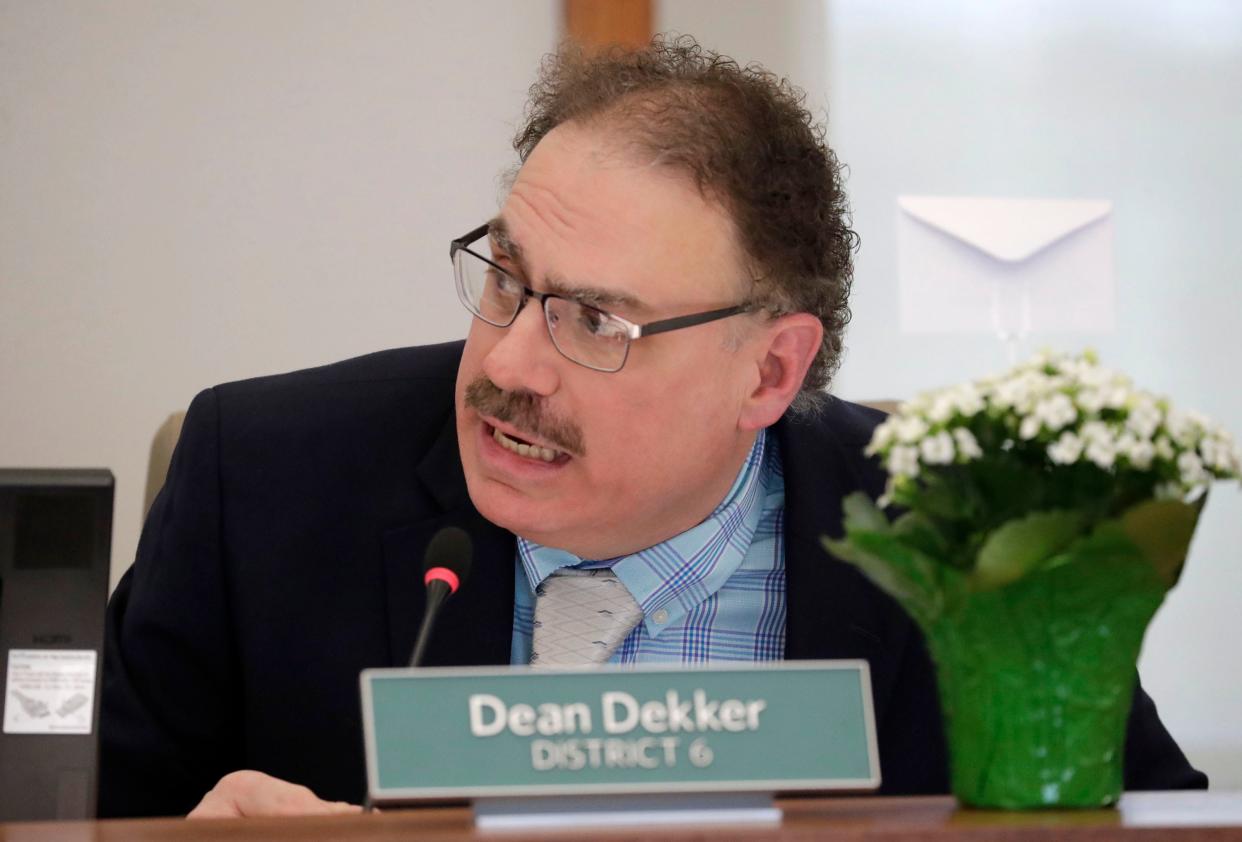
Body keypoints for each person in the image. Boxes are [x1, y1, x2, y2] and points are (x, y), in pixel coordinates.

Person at [98, 36, 1205, 819]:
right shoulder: (267, 475)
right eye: (508, 282)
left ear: (771, 370)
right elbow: (75, 809)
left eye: (596, 321)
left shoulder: (961, 535)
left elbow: (1148, 814)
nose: (509, 364)